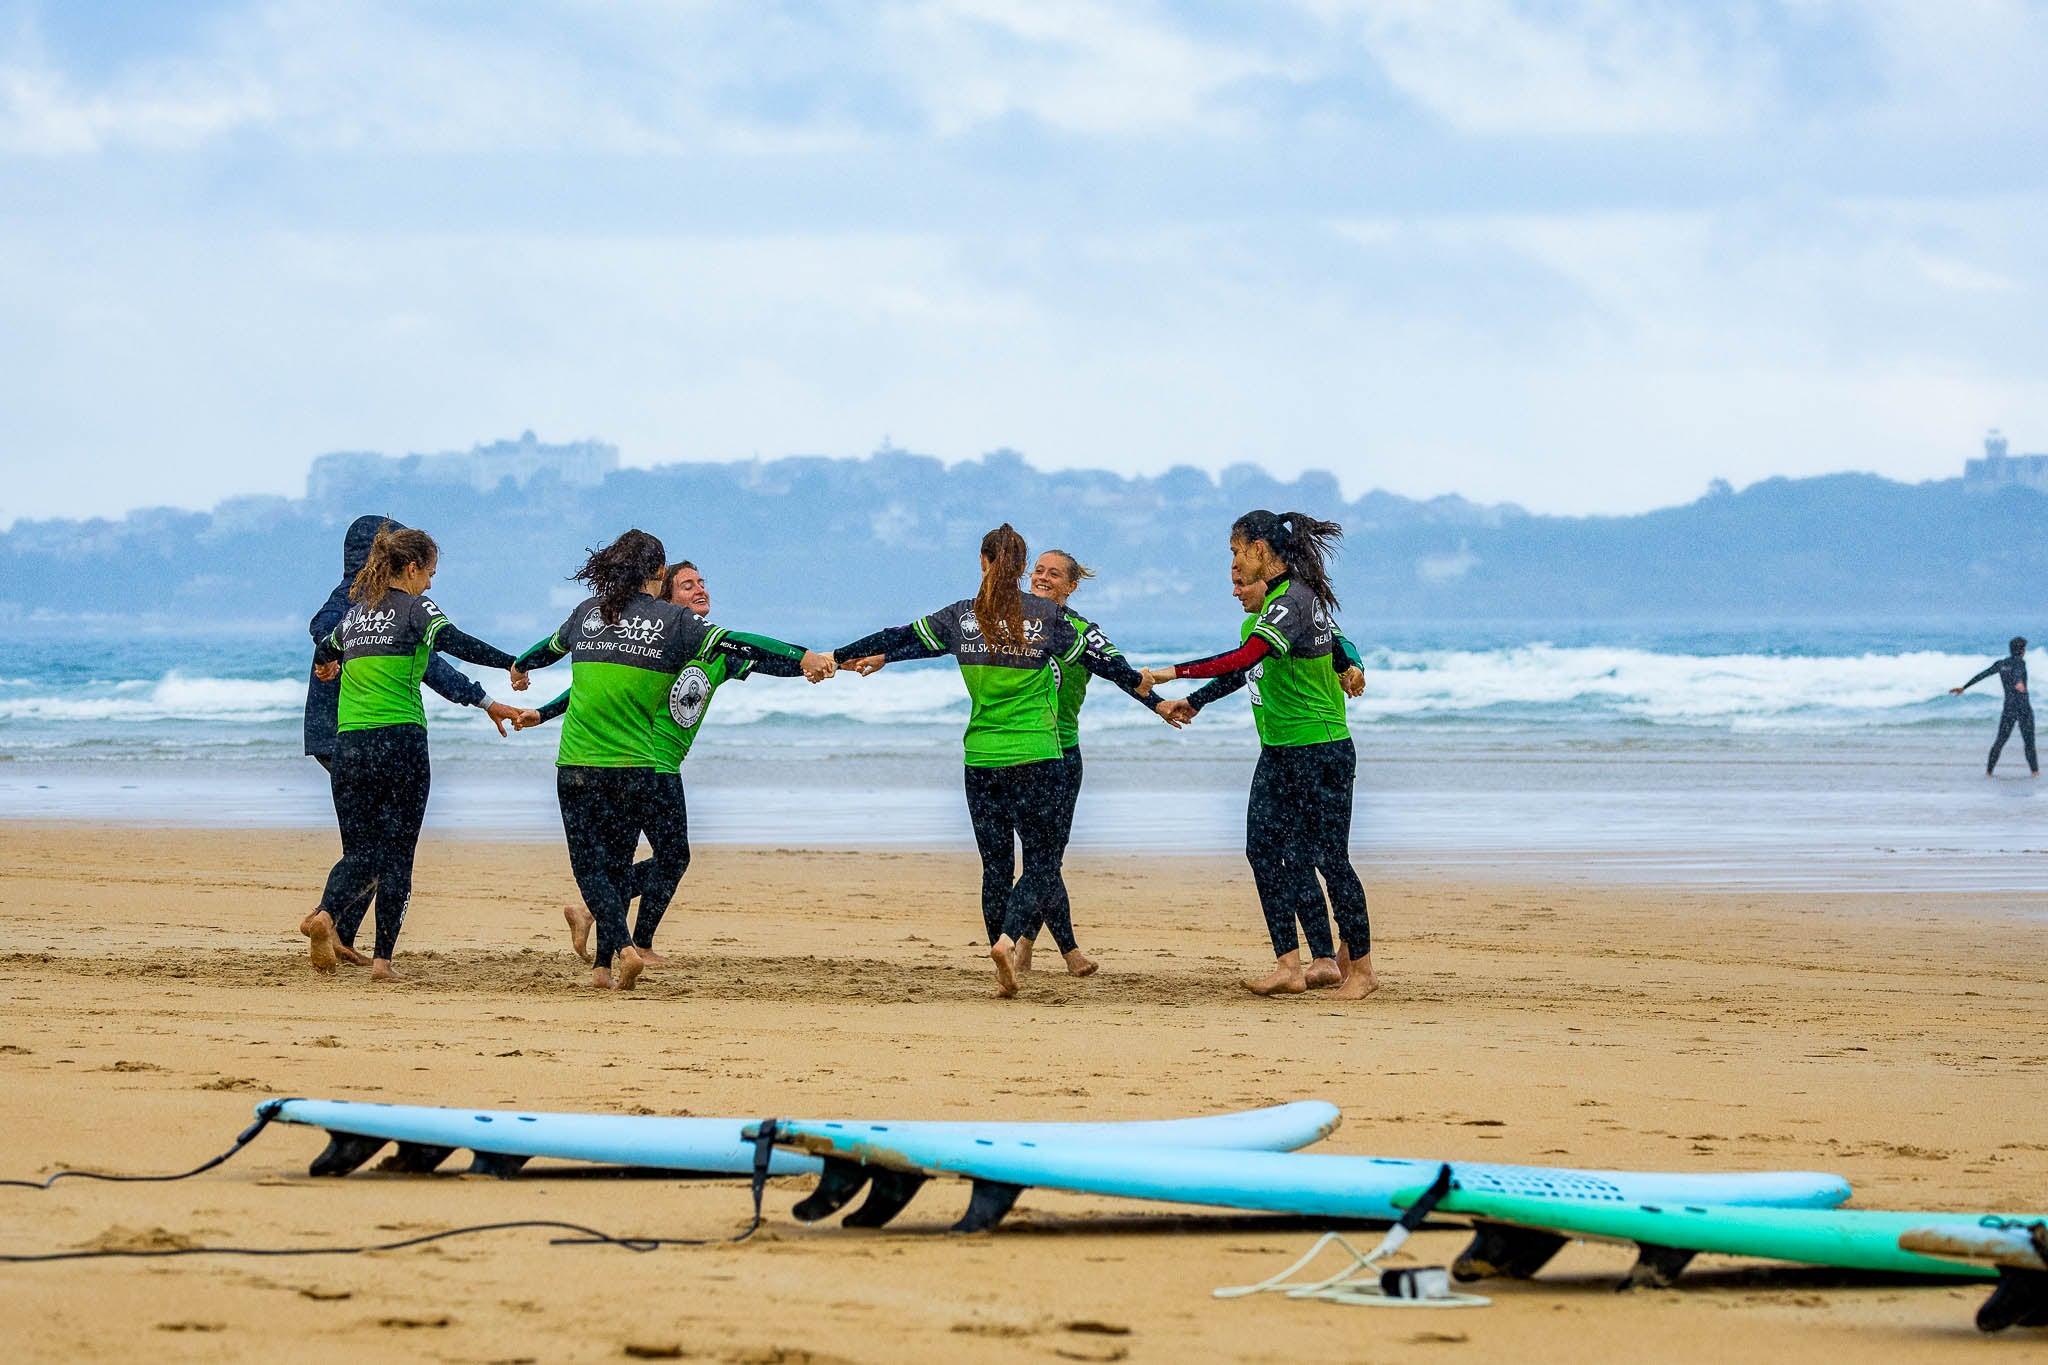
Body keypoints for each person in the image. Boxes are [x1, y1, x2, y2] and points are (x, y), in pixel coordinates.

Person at [835, 524, 1180, 997]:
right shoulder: (1050, 620)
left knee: (995, 866)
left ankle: (1013, 953)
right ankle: (1008, 940)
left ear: (982, 562)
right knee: (1041, 862)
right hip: (1038, 758)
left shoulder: (962, 617)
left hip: (981, 761)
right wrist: (1154, 697)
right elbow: (1109, 665)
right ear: (1021, 569)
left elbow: (900, 638)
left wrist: (836, 656)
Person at [513, 531, 835, 990]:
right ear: (660, 582)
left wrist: (804, 663)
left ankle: (607, 950)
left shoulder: (691, 643)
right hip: (647, 764)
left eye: (703, 582)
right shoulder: (671, 630)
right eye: (687, 584)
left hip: (614, 764)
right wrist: (541, 707)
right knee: (657, 858)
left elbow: (751, 655)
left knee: (621, 861)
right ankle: (624, 937)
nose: (699, 588)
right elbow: (593, 687)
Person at [1140, 511, 1379, 1001]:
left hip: (1320, 747)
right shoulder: (1273, 605)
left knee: (1329, 858)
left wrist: (1170, 673)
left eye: (1234, 551)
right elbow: (1251, 669)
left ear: (1258, 550)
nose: (1232, 564)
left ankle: (1364, 972)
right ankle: (1289, 966)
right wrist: (1198, 700)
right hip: (1279, 754)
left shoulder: (1292, 599)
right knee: (1263, 850)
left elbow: (1247, 658)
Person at [304, 525, 525, 980]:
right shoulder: (416, 608)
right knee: (398, 853)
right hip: (398, 744)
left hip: (349, 747)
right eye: (430, 573)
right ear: (411, 568)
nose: (431, 583)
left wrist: (329, 663)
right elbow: (454, 642)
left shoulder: (355, 616)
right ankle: (382, 961)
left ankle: (328, 915)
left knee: (363, 850)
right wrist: (510, 661)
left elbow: (324, 645)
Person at [1951, 637, 2037, 776]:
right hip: (2023, 708)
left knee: (2000, 741)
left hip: (2009, 708)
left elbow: (1983, 675)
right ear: (2022, 650)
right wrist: (2018, 682)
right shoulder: (2020, 662)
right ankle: (2035, 772)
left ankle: (1989, 772)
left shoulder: (2001, 664)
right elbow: (2018, 672)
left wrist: (1964, 687)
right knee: (2029, 743)